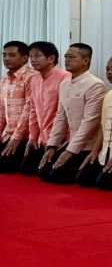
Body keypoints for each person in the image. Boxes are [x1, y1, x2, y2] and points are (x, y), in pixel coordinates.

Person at [38, 44, 105, 184]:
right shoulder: (64, 84)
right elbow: (60, 117)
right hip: (71, 141)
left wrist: (70, 151)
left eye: (72, 57)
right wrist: (52, 146)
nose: (67, 60)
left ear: (85, 61)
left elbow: (90, 123)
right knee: (44, 171)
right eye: (66, 57)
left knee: (62, 177)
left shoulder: (95, 85)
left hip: (89, 144)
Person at [77, 55, 112, 190]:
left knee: (105, 184)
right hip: (105, 150)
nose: (109, 72)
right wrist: (94, 151)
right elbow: (103, 125)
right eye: (107, 69)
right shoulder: (109, 94)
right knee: (82, 179)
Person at [21, 41, 71, 175]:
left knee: (48, 174)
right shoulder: (34, 79)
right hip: (41, 137)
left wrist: (54, 141)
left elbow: (64, 113)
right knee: (26, 170)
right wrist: (33, 136)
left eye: (37, 56)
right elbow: (33, 110)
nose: (32, 60)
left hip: (61, 138)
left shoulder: (65, 77)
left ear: (51, 58)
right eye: (31, 56)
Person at [0, 40, 40, 173]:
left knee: (4, 166)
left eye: (11, 55)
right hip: (9, 134)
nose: (6, 58)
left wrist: (17, 138)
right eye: (4, 55)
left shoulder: (32, 77)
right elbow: (1, 110)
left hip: (27, 136)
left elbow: (29, 109)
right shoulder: (4, 79)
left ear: (24, 58)